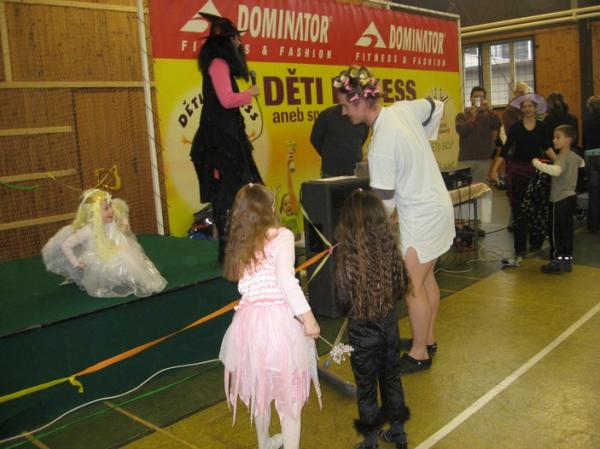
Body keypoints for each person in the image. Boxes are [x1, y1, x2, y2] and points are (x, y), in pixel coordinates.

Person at [333, 65, 454, 374]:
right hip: (438, 206)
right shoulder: (404, 109)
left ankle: (418, 354)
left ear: (362, 102)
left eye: (346, 106)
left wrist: (362, 237)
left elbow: (382, 209)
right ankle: (427, 338)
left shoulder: (381, 147)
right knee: (426, 278)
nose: (344, 112)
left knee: (413, 286)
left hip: (422, 216)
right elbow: (435, 106)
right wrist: (420, 142)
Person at [219, 183, 322, 449]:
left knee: (261, 389)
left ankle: (264, 442)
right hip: (277, 324)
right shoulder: (282, 236)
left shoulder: (242, 240)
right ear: (268, 210)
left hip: (248, 325)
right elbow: (286, 280)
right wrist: (308, 318)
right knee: (290, 394)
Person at [334, 189, 410, 449]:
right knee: (391, 379)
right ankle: (398, 433)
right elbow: (400, 287)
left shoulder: (347, 257)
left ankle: (370, 442)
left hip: (361, 332)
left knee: (366, 387)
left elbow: (343, 302)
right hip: (389, 325)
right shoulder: (390, 250)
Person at [189, 13, 263, 262]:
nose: (240, 43)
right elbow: (226, 99)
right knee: (229, 192)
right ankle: (228, 248)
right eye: (236, 39)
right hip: (221, 140)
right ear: (226, 42)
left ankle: (234, 246)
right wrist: (250, 93)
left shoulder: (220, 64)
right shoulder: (219, 64)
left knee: (234, 190)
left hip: (226, 136)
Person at [42, 189, 167, 298]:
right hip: (97, 258)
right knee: (105, 268)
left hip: (112, 252)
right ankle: (106, 281)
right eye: (106, 209)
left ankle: (123, 278)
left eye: (110, 207)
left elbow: (121, 212)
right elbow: (66, 245)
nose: (111, 211)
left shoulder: (109, 224)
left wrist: (124, 225)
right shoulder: (87, 231)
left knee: (128, 260)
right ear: (94, 213)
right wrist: (75, 262)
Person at [490, 93, 552, 266]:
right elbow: (505, 150)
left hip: (537, 173)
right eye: (524, 106)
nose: (527, 109)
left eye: (530, 106)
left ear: (535, 108)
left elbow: (546, 147)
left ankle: (536, 243)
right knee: (519, 211)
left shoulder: (542, 127)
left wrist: (560, 163)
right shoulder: (516, 128)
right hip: (517, 173)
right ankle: (519, 248)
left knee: (537, 209)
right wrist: (494, 169)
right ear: (521, 110)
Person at [532, 125, 584, 273]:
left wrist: (537, 163)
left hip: (559, 199)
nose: (554, 140)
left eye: (557, 137)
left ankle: (556, 261)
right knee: (567, 231)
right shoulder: (573, 156)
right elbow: (582, 163)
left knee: (556, 232)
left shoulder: (562, 156)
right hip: (571, 197)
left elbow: (556, 171)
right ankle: (566, 261)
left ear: (568, 139)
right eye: (554, 137)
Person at [455, 86, 501, 182]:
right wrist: (473, 117)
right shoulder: (462, 115)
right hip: (465, 158)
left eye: (481, 97)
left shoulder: (489, 115)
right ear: (470, 98)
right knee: (464, 187)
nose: (478, 99)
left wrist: (490, 109)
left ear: (484, 99)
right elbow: (461, 131)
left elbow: (497, 124)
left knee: (480, 187)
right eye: (476, 96)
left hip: (483, 159)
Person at [310, 104, 370, 178]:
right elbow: (315, 138)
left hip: (358, 171)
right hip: (331, 172)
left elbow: (362, 139)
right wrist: (329, 155)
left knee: (364, 184)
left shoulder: (363, 116)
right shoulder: (328, 114)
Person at [583, 95, 600, 233]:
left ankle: (593, 225)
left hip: (590, 156)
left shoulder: (587, 120)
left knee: (593, 192)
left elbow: (584, 140)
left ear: (590, 107)